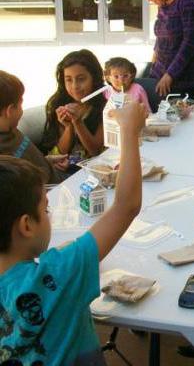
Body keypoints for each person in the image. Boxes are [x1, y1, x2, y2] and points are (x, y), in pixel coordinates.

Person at [0, 101, 147, 364]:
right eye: (45, 209)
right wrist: (128, 131)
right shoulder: (59, 272)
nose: (49, 214)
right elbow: (126, 206)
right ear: (26, 226)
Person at [136, 0, 194, 111]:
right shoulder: (163, 2)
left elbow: (190, 43)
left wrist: (170, 74)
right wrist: (154, 61)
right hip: (160, 74)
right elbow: (161, 37)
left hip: (184, 80)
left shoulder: (187, 1)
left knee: (175, 119)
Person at [40, 49, 106, 170]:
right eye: (69, 79)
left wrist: (78, 122)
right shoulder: (58, 104)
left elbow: (95, 151)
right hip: (66, 169)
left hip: (95, 168)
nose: (75, 86)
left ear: (94, 78)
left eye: (81, 79)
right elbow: (61, 153)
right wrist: (69, 127)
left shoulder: (105, 107)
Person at [0, 70, 68, 184]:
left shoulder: (11, 128)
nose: (22, 110)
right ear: (10, 110)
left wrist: (46, 161)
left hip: (58, 177)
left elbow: (25, 160)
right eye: (20, 104)